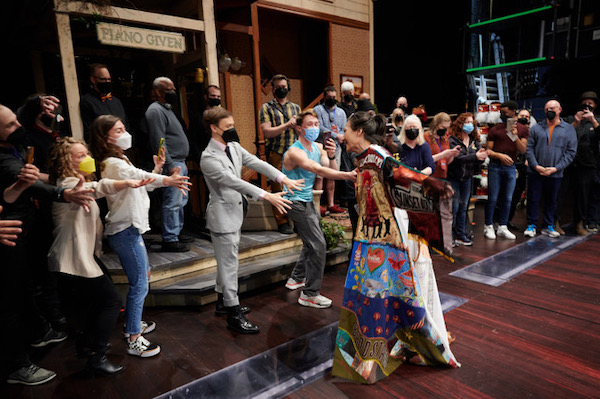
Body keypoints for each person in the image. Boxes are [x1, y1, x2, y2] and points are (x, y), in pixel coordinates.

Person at [332, 111, 458, 384]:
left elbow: (401, 172)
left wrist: (430, 182)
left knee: (386, 300)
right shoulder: (363, 158)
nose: (342, 135)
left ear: (358, 132)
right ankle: (384, 354)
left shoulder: (376, 156)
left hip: (384, 242)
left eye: (345, 129)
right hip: (368, 240)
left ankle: (378, 359)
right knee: (384, 299)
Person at [0, 104, 94, 386]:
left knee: (25, 290)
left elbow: (12, 190)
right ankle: (17, 365)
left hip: (20, 231)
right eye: (11, 125)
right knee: (8, 305)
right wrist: (64, 193)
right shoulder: (3, 160)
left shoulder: (10, 148)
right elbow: (21, 183)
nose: (19, 127)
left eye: (17, 121)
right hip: (8, 238)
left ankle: (39, 333)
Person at [47, 138, 154, 375]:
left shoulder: (72, 182)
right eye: (79, 156)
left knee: (94, 304)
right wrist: (127, 182)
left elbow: (98, 187)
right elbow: (97, 188)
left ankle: (87, 346)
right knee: (111, 302)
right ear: (66, 161)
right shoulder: (69, 185)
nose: (86, 159)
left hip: (80, 258)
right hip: (72, 260)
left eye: (86, 153)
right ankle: (97, 356)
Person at [89, 114, 191, 358]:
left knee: (142, 278)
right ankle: (134, 336)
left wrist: (156, 170)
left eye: (124, 128)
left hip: (130, 230)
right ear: (105, 137)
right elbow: (136, 177)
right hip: (124, 231)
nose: (125, 133)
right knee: (140, 284)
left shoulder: (119, 159)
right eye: (119, 130)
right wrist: (167, 178)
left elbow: (141, 182)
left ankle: (133, 324)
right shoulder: (111, 163)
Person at [201, 107, 303, 333]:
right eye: (227, 127)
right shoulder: (208, 157)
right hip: (222, 217)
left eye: (232, 125)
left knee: (227, 261)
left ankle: (222, 302)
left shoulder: (234, 147)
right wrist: (267, 195)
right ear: (214, 128)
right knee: (229, 265)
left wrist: (282, 177)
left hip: (235, 212)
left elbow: (256, 162)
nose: (232, 130)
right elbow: (233, 182)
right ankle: (233, 315)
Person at [282, 109, 356, 308]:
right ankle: (310, 294)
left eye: (316, 124)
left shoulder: (318, 147)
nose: (315, 128)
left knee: (311, 242)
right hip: (294, 201)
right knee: (318, 245)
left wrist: (332, 155)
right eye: (310, 124)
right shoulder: (294, 151)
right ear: (299, 128)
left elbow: (329, 169)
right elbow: (315, 169)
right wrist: (349, 175)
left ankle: (296, 278)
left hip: (307, 200)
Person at [145, 77, 191, 252]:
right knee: (173, 201)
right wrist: (170, 164)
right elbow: (159, 140)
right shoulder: (155, 111)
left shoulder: (167, 109)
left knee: (180, 200)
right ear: (158, 91)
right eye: (169, 89)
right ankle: (170, 238)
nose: (173, 92)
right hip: (173, 163)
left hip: (180, 161)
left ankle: (176, 233)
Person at [524, 100, 577, 238]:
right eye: (547, 109)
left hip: (555, 173)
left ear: (560, 109)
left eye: (552, 108)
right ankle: (531, 225)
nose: (549, 111)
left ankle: (548, 225)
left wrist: (556, 168)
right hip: (535, 171)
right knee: (533, 199)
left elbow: (571, 152)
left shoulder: (569, 129)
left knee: (551, 200)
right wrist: (536, 166)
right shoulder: (536, 128)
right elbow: (529, 149)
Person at [259, 74, 301, 234]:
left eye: (284, 86)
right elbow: (267, 132)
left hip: (294, 153)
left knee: (297, 188)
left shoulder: (295, 108)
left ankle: (297, 220)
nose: (281, 89)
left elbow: (299, 130)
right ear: (273, 89)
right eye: (277, 87)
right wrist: (286, 125)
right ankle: (282, 222)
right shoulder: (266, 108)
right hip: (276, 153)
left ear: (288, 88)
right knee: (279, 189)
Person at [483, 100, 529, 240]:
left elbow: (523, 150)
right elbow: (488, 151)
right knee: (493, 197)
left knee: (508, 198)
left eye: (505, 112)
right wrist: (500, 155)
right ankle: (488, 225)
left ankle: (503, 226)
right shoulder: (495, 129)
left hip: (511, 167)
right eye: (501, 112)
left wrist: (514, 136)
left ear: (514, 111)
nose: (502, 115)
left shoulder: (522, 129)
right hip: (495, 166)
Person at [447, 113, 488, 246]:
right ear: (460, 124)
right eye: (467, 122)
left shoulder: (474, 141)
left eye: (471, 122)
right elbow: (456, 159)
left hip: (467, 178)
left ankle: (460, 233)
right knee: (453, 207)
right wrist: (475, 157)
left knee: (463, 207)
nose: (470, 125)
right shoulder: (453, 140)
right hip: (453, 177)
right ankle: (450, 235)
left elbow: (476, 157)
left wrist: (481, 157)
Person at [566, 91, 600, 234]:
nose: (587, 106)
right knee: (568, 194)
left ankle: (582, 222)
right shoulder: (572, 119)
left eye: (590, 104)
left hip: (589, 163)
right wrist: (575, 122)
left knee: (587, 195)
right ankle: (565, 222)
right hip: (571, 162)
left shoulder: (597, 120)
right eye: (584, 104)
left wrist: (593, 121)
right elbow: (564, 135)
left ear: (595, 106)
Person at [313, 85, 347, 214]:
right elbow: (320, 127)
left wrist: (341, 136)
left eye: (334, 97)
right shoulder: (318, 110)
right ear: (324, 97)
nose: (332, 99)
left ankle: (331, 204)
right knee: (319, 175)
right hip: (320, 146)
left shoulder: (341, 112)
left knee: (332, 175)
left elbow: (343, 128)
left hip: (336, 148)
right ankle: (319, 204)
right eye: (329, 97)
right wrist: (335, 135)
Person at [80, 63, 129, 142]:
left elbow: (126, 124)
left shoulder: (116, 101)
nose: (107, 82)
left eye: (109, 79)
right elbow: (89, 132)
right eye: (103, 79)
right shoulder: (87, 102)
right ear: (93, 79)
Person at [508, 109, 532, 230]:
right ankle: (499, 220)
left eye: (526, 116)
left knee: (517, 195)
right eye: (522, 115)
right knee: (506, 194)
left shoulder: (531, 131)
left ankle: (509, 220)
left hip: (523, 164)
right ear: (517, 116)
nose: (524, 117)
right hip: (510, 163)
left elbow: (531, 148)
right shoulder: (511, 127)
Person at [189, 85, 222, 161]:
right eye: (213, 96)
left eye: (218, 97)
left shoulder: (223, 116)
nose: (216, 99)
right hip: (206, 157)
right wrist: (199, 157)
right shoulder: (197, 117)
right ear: (206, 97)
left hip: (222, 156)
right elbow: (193, 140)